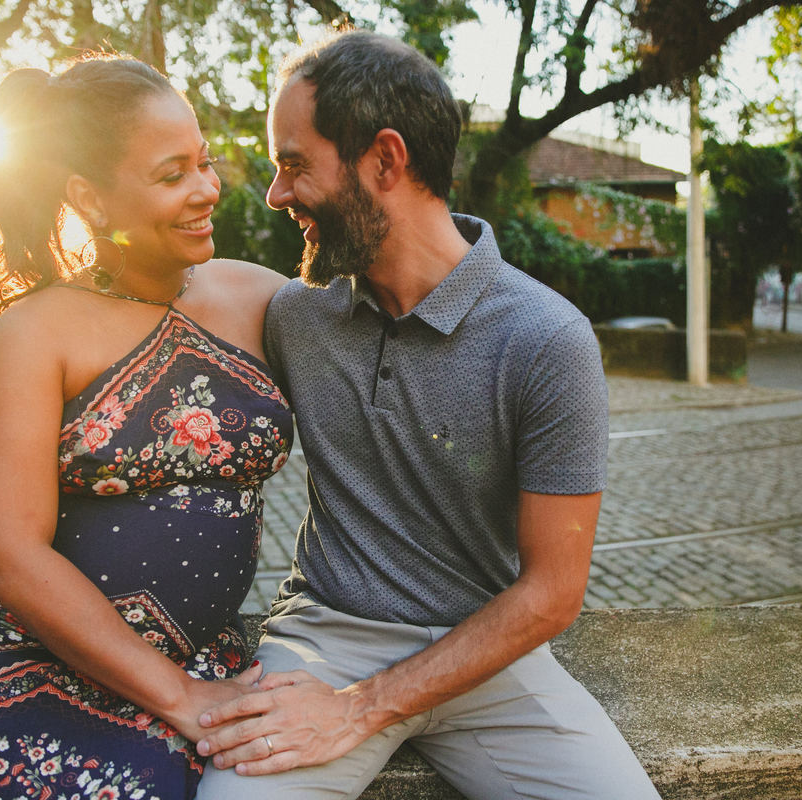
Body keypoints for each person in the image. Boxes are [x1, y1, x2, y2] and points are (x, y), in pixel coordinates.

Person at [192, 31, 663, 799]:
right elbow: (150, 283)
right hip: (324, 640)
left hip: (488, 657)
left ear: (385, 159)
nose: (276, 195)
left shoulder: (547, 340)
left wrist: (363, 710)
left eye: (294, 163)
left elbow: (551, 593)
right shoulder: (297, 314)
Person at [0, 54, 292, 800]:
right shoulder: (36, 328)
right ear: (89, 198)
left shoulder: (259, 297)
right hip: (22, 655)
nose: (206, 190)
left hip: (199, 659)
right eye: (171, 175)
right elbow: (8, 554)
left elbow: (385, 373)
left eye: (205, 162)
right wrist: (179, 697)